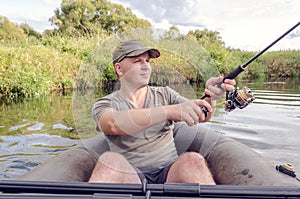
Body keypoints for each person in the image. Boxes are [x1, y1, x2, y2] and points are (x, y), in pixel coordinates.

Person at [89, 40, 235, 185]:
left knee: (193, 160)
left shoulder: (166, 94)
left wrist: (210, 96)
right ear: (119, 69)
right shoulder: (104, 103)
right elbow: (112, 124)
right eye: (137, 61)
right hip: (131, 176)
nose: (145, 66)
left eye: (147, 61)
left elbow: (202, 115)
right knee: (109, 160)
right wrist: (169, 111)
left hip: (168, 172)